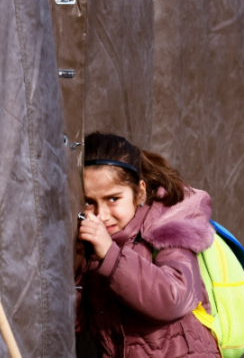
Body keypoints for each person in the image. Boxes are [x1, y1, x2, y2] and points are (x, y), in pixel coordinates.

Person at [75, 132, 221, 358]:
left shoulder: (167, 227)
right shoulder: (90, 247)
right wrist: (74, 272)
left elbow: (173, 298)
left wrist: (111, 256)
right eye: (88, 201)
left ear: (139, 192)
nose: (101, 215)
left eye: (113, 198)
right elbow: (78, 326)